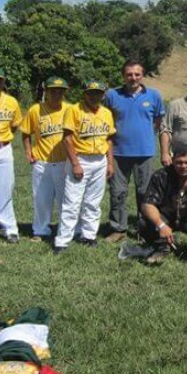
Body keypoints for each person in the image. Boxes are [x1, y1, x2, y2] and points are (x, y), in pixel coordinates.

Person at [104, 61, 166, 243]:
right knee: (117, 192)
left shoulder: (154, 96)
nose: (133, 78)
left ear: (142, 75)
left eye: (137, 74)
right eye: (129, 74)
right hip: (117, 153)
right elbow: (105, 118)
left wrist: (145, 135)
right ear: (123, 76)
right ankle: (118, 229)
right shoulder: (112, 95)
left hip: (145, 152)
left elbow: (158, 120)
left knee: (145, 193)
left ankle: (144, 230)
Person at [54, 80, 116, 253]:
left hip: (100, 160)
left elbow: (109, 139)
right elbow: (67, 139)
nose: (94, 96)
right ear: (85, 94)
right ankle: (63, 240)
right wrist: (75, 163)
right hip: (80, 159)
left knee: (93, 202)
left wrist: (110, 162)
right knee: (72, 202)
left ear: (103, 94)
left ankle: (88, 235)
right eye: (91, 93)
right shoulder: (74, 110)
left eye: (98, 93)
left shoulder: (106, 113)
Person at [20, 76, 70, 242]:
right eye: (52, 91)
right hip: (42, 161)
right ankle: (41, 230)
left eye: (60, 91)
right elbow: (26, 133)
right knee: (42, 198)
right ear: (46, 92)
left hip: (65, 162)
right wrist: (28, 152)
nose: (56, 94)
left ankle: (66, 230)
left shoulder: (70, 109)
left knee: (66, 199)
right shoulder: (36, 110)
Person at [0, 67, 22, 243]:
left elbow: (14, 125)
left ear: (3, 82)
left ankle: (10, 229)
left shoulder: (11, 102)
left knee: (5, 189)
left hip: (4, 148)